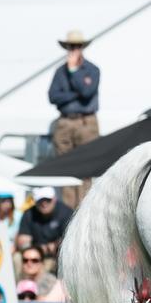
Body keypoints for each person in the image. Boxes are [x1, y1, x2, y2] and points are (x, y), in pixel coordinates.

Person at [48, 29, 101, 207]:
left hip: (86, 122)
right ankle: (69, 212)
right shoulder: (59, 72)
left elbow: (87, 92)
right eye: (71, 46)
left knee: (86, 169)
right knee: (67, 169)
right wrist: (75, 94)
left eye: (77, 46)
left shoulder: (92, 70)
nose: (73, 50)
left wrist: (73, 71)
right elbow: (53, 97)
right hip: (65, 122)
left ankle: (84, 210)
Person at [16, 188, 74, 263]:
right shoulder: (29, 214)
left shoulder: (66, 213)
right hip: (35, 257)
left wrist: (56, 246)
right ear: (35, 201)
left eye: (47, 199)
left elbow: (70, 241)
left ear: (54, 199)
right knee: (17, 258)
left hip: (59, 256)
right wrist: (38, 249)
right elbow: (23, 242)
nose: (44, 203)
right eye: (40, 200)